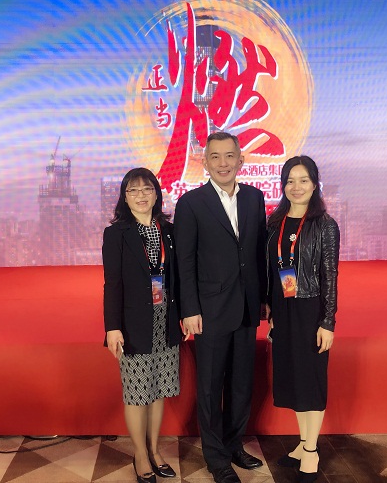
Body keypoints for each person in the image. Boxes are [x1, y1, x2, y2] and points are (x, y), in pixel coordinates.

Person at [174, 132, 267, 483]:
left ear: (241, 160)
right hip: (209, 310)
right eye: (215, 156)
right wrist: (189, 309)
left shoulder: (255, 198)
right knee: (211, 387)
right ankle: (216, 458)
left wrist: (264, 299)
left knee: (242, 384)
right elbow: (184, 262)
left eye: (230, 156)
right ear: (205, 162)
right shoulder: (191, 203)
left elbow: (258, 253)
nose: (223, 163)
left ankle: (233, 444)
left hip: (247, 306)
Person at [102, 168, 182, 483]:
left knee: (159, 389)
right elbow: (112, 284)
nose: (141, 195)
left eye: (147, 189)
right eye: (133, 190)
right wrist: (112, 327)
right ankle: (139, 454)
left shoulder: (169, 231)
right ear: (124, 197)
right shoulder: (116, 234)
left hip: (166, 320)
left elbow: (178, 277)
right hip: (133, 323)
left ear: (156, 193)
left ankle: (154, 449)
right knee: (137, 392)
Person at [264, 156, 340, 482]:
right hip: (283, 310)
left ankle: (311, 450)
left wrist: (328, 321)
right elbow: (271, 270)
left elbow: (330, 276)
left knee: (311, 380)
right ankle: (303, 442)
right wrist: (270, 310)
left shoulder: (325, 225)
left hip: (311, 310)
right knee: (294, 379)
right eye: (290, 181)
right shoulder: (274, 223)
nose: (296, 187)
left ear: (314, 184)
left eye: (303, 180)